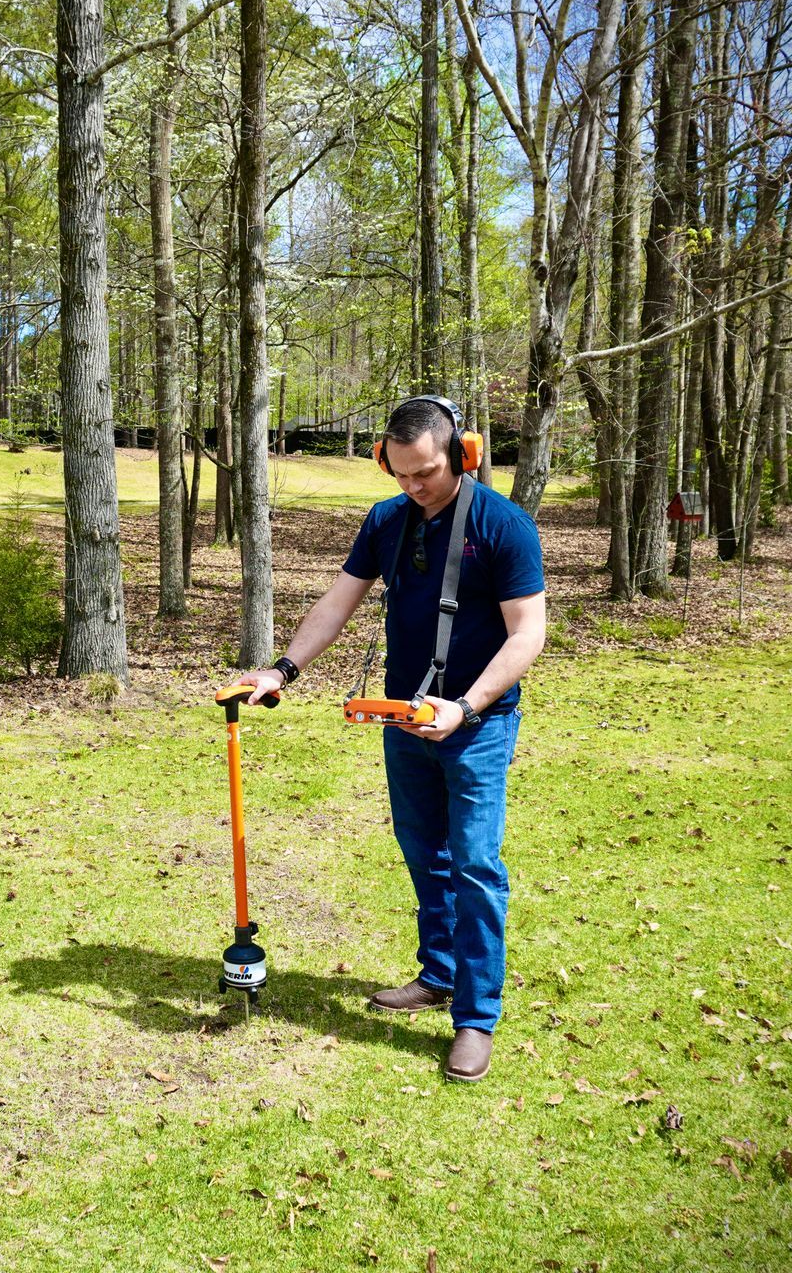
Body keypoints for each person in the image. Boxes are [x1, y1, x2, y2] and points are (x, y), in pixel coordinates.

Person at [225, 396, 546, 1082]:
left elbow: (528, 633)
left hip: (478, 725)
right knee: (423, 852)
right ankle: (439, 975)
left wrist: (463, 705)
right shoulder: (386, 522)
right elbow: (337, 601)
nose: (413, 486)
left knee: (476, 865)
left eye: (426, 472)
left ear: (464, 454)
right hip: (404, 720)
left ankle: (475, 1018)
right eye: (399, 474)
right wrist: (283, 669)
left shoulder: (505, 526)